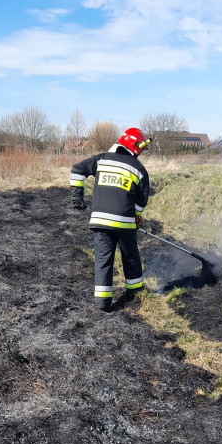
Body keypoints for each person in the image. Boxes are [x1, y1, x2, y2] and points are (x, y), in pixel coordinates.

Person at [70, 128, 152, 312]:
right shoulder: (139, 169)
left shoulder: (101, 159)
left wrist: (77, 198)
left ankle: (102, 304)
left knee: (103, 260)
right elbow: (141, 202)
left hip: (100, 222)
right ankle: (134, 293)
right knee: (130, 257)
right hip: (125, 224)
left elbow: (77, 170)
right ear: (135, 147)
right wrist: (137, 218)